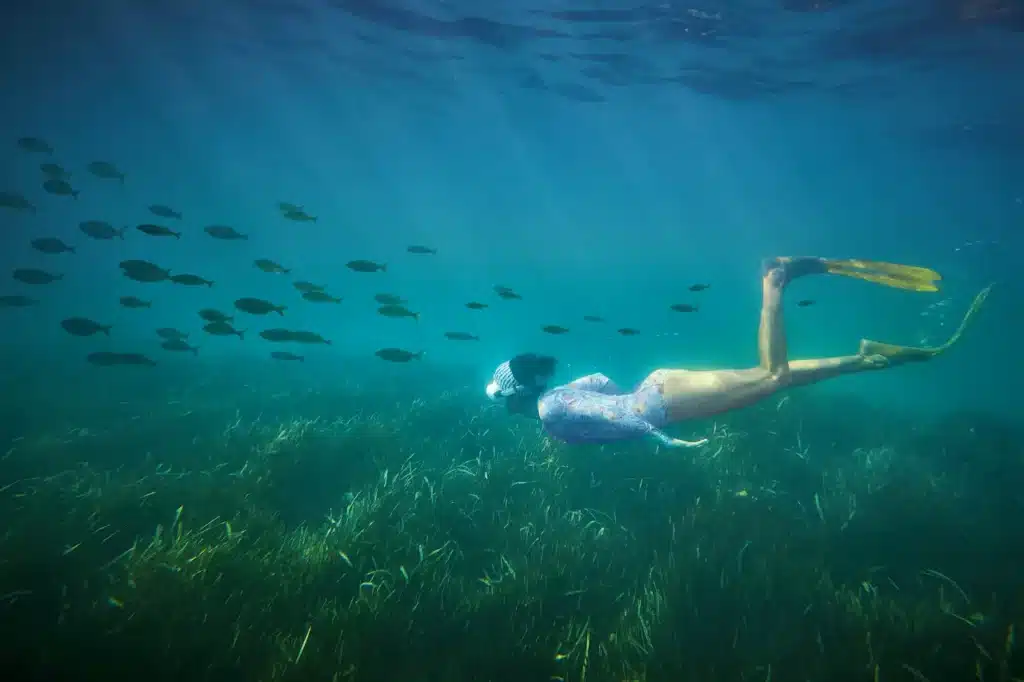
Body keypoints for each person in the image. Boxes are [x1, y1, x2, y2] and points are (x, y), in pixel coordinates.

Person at [485, 256, 991, 448]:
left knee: (770, 377)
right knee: (776, 376)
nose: (509, 410)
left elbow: (614, 415)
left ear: (520, 395)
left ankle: (776, 280)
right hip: (658, 393)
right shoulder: (556, 403)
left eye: (506, 402)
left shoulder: (550, 411)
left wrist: (659, 437)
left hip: (660, 407)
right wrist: (630, 411)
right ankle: (866, 358)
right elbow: (598, 385)